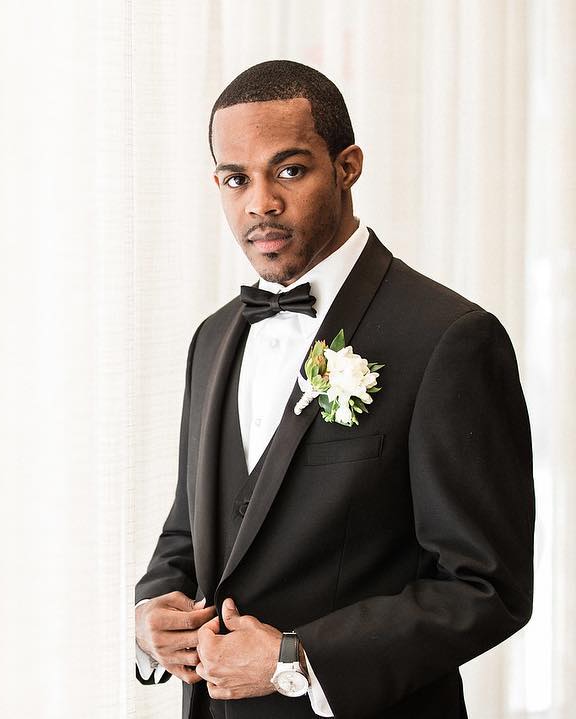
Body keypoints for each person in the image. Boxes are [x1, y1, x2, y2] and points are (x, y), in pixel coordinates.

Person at [133, 60, 534, 719]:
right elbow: (191, 526)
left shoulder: (450, 338)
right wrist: (154, 610)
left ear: (347, 166)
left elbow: (487, 586)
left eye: (288, 170)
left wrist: (297, 660)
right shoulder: (211, 338)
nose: (259, 202)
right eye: (237, 179)